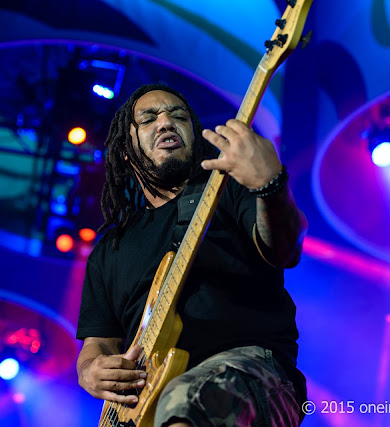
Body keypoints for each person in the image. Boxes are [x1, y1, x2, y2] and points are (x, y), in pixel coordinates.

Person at [76, 83, 308, 426]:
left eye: (179, 116)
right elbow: (98, 342)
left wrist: (270, 186)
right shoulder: (109, 250)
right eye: (149, 118)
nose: (166, 123)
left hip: (250, 372)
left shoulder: (226, 190)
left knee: (183, 401)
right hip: (144, 401)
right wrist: (91, 371)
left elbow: (285, 248)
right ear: (126, 150)